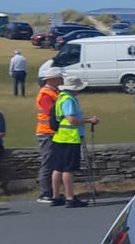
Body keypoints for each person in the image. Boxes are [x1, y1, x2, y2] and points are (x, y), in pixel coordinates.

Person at [49, 75, 98, 207]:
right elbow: (72, 120)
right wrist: (89, 121)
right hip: (70, 138)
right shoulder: (69, 100)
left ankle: (55, 196)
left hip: (60, 137)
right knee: (68, 169)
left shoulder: (61, 97)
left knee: (58, 168)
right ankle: (70, 197)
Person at [34, 70, 63, 203]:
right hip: (46, 132)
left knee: (52, 162)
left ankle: (51, 191)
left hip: (51, 131)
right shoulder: (46, 94)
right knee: (48, 162)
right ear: (51, 79)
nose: (61, 80)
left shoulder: (54, 92)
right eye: (59, 78)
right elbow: (51, 111)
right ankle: (45, 193)